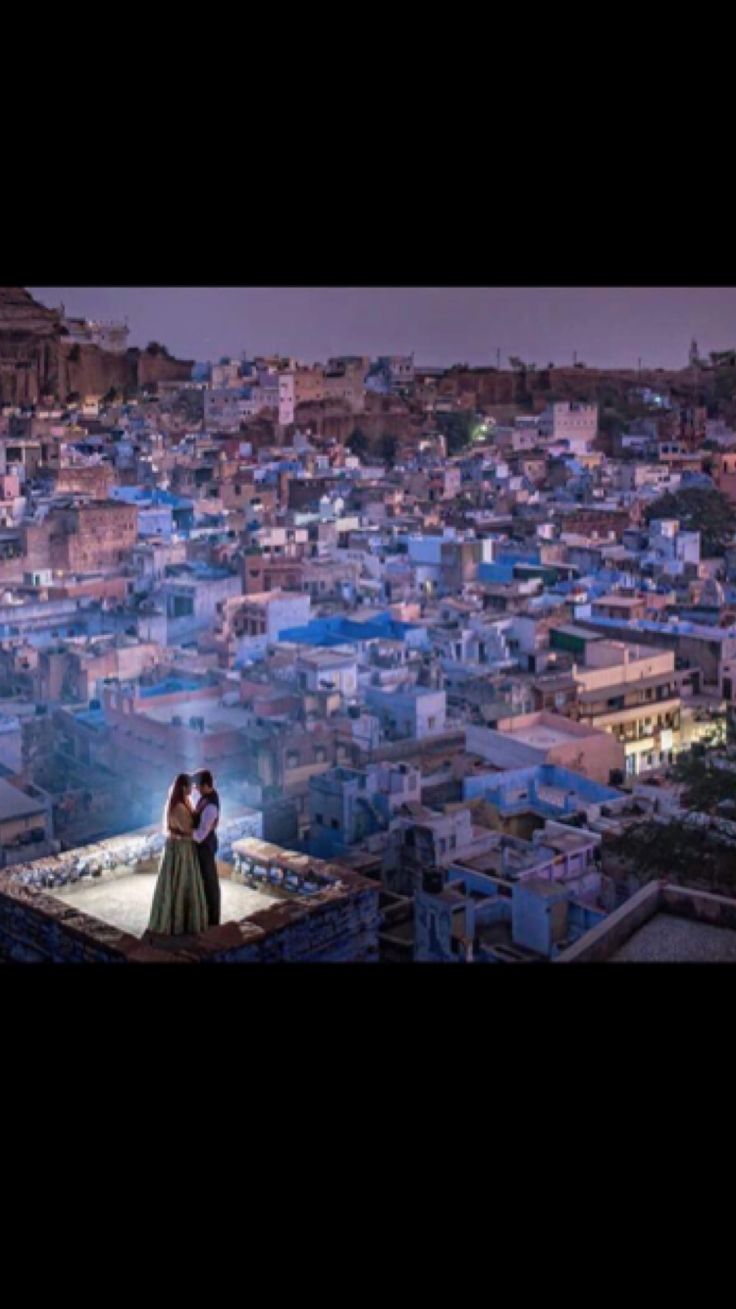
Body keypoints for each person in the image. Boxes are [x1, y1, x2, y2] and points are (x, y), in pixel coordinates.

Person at [147, 773, 209, 936]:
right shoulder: (179, 807)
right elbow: (188, 829)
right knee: (181, 884)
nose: (192, 789)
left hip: (178, 848)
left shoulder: (180, 802)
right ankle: (179, 923)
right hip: (181, 850)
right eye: (189, 786)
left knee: (175, 884)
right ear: (183, 787)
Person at [192, 769, 221, 927]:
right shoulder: (206, 798)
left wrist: (186, 831)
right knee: (206, 881)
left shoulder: (211, 807)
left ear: (205, 785)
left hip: (206, 847)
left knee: (210, 883)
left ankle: (213, 920)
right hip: (204, 845)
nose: (196, 789)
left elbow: (201, 835)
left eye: (197, 786)